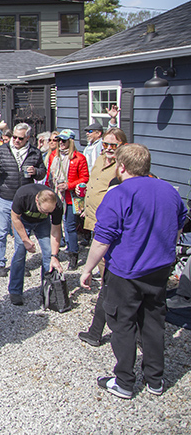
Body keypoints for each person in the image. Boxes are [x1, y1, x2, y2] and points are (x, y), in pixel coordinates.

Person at [80, 144, 186, 400]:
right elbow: (180, 225)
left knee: (123, 324)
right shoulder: (169, 191)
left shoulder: (118, 194)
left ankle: (125, 381)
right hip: (160, 269)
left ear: (122, 166)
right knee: (153, 322)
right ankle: (155, 379)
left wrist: (87, 269)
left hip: (126, 271)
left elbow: (102, 240)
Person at [77, 128, 127, 346]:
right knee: (106, 276)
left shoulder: (123, 167)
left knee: (109, 279)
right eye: (105, 144)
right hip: (95, 221)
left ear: (122, 146)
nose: (108, 149)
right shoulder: (99, 159)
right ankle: (99, 328)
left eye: (112, 146)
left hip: (110, 226)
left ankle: (102, 328)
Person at [0, 123, 47, 278]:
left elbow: (42, 172)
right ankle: (0, 263)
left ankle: (19, 263)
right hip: (5, 196)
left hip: (24, 200)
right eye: (14, 137)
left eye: (20, 138)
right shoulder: (2, 150)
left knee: (21, 235)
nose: (16, 140)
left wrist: (36, 172)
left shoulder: (34, 152)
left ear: (27, 137)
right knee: (0, 232)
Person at [7, 185, 64, 305]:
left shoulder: (57, 205)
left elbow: (55, 231)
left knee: (48, 253)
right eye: (44, 211)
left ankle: (46, 289)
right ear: (37, 200)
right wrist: (26, 240)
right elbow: (15, 218)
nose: (48, 214)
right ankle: (15, 291)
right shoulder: (23, 195)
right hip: (23, 221)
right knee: (20, 252)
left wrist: (54, 255)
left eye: (50, 212)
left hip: (43, 224)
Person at [46, 129, 89, 270]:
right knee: (56, 224)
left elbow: (85, 178)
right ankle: (55, 252)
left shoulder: (79, 158)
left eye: (63, 141)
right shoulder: (54, 156)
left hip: (70, 197)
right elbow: (49, 175)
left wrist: (69, 185)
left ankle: (73, 254)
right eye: (59, 141)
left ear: (70, 142)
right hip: (56, 195)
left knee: (70, 226)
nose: (60, 143)